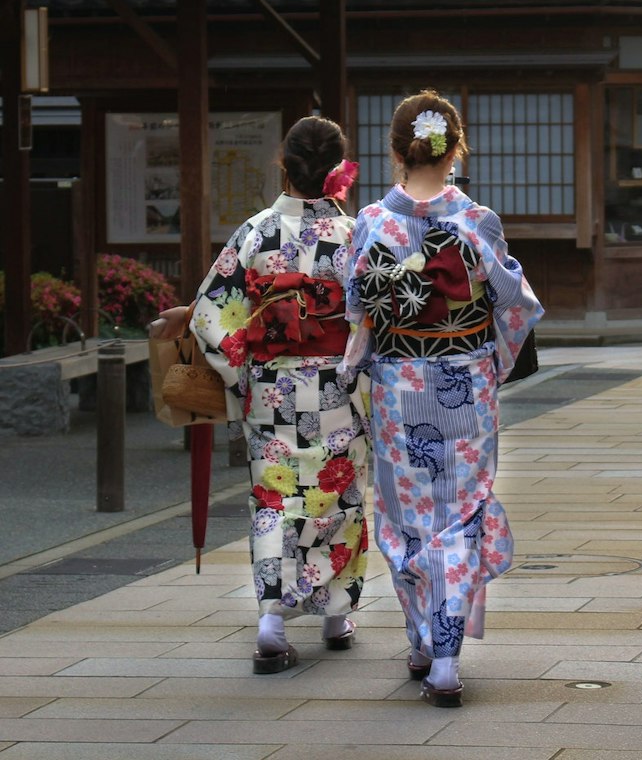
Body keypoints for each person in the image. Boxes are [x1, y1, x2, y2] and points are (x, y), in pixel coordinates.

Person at [340, 90, 543, 707]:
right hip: (467, 384)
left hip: (401, 385)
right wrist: (491, 364)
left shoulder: (373, 222)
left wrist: (366, 364)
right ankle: (448, 655)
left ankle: (423, 640)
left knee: (406, 515)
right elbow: (516, 306)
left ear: (397, 151)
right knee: (461, 509)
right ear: (456, 149)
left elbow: (359, 312)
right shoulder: (476, 220)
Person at [182, 116, 369, 674]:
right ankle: (335, 614)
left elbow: (212, 313)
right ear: (338, 173)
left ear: (283, 166)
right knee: (341, 495)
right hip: (337, 384)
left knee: (275, 498)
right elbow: (370, 320)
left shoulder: (256, 232)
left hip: (272, 388)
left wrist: (242, 371)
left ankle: (270, 620)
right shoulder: (356, 235)